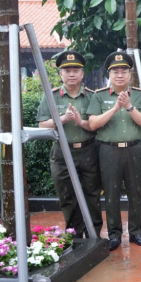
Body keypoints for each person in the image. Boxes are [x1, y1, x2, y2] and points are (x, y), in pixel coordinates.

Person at [87, 51, 141, 251]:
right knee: (111, 194)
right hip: (109, 151)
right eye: (116, 71)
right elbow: (93, 124)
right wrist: (114, 108)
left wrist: (129, 107)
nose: (120, 75)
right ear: (109, 74)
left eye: (124, 71)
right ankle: (114, 234)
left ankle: (136, 232)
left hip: (133, 149)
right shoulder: (99, 96)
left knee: (135, 193)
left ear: (130, 74)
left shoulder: (139, 95)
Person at [36, 50, 103, 238]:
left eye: (76, 70)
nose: (71, 74)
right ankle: (74, 233)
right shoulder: (52, 96)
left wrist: (81, 121)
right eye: (67, 70)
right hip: (62, 153)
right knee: (67, 196)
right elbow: (43, 124)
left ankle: (94, 234)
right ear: (60, 74)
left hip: (88, 150)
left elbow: (97, 125)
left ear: (82, 74)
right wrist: (63, 119)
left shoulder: (92, 96)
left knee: (92, 193)